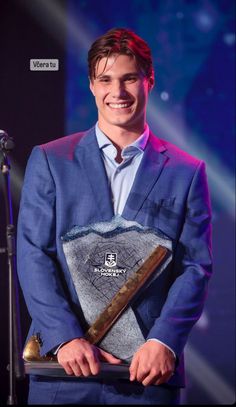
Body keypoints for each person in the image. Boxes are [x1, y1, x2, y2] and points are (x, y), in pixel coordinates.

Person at [17, 27, 212, 405]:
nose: (117, 93)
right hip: (63, 369)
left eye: (129, 79)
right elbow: (32, 254)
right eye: (105, 79)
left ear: (149, 81)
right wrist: (65, 337)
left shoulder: (187, 172)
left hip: (147, 374)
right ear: (91, 84)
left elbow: (194, 267)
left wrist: (164, 341)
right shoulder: (51, 160)